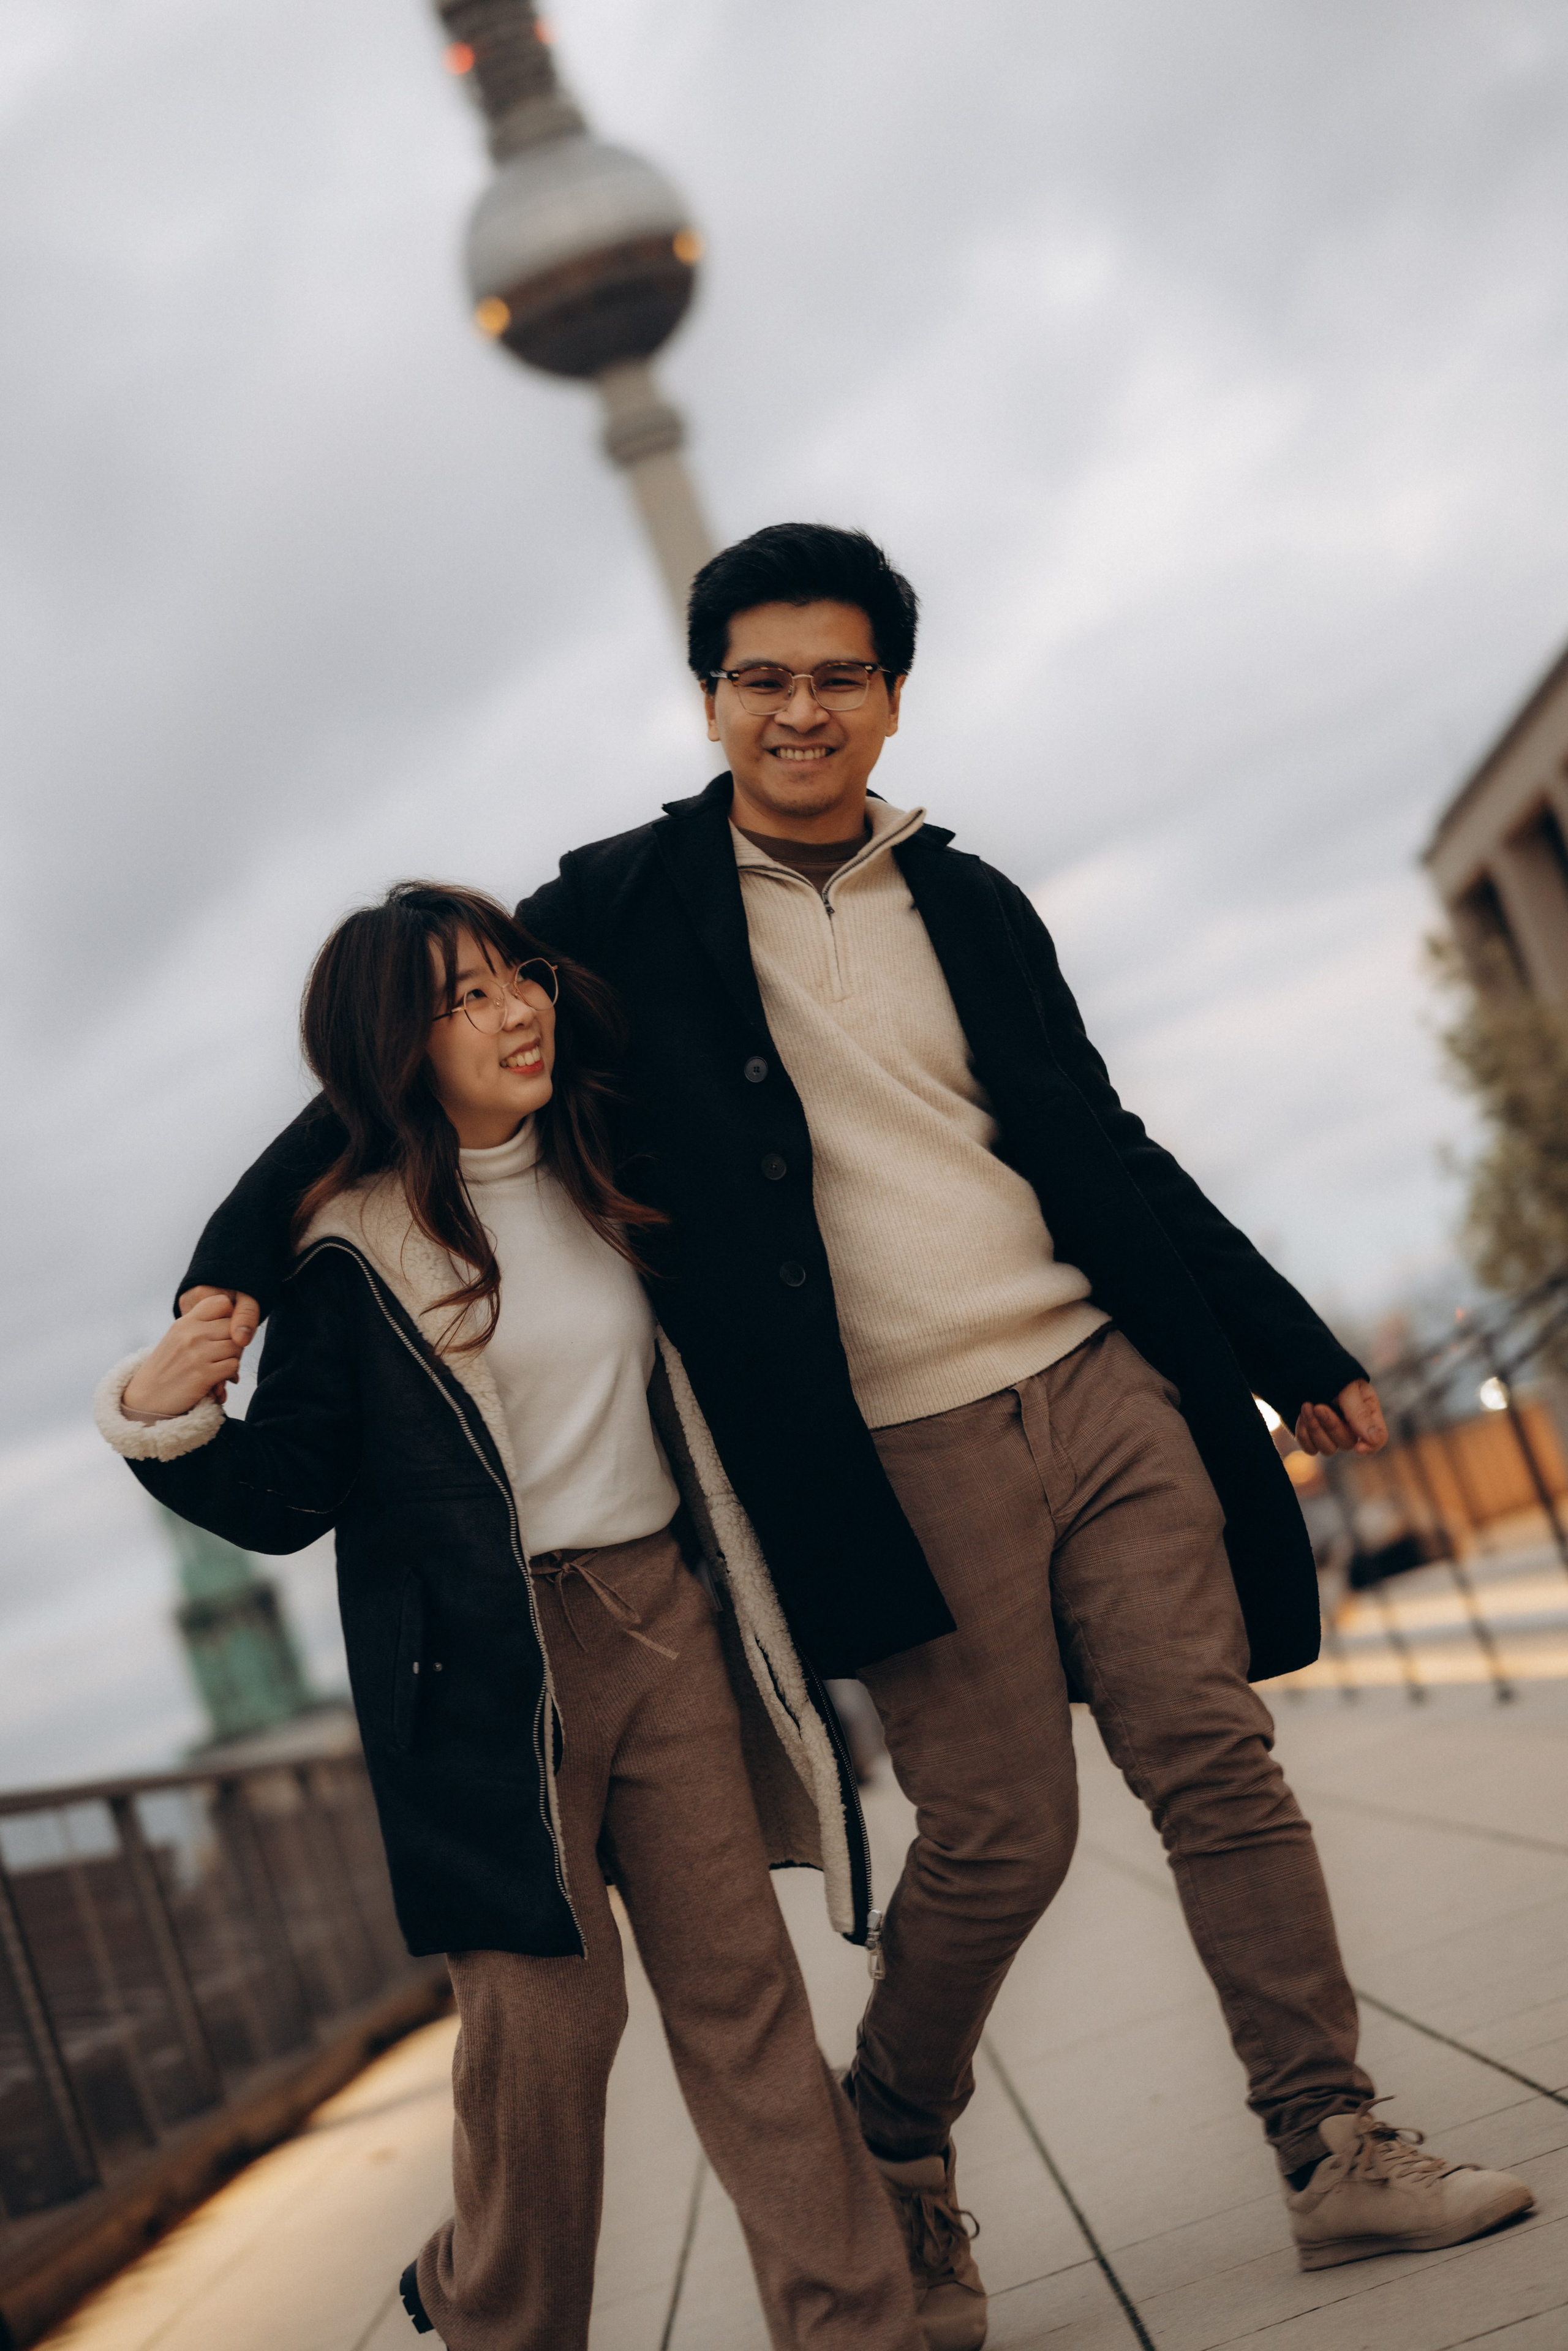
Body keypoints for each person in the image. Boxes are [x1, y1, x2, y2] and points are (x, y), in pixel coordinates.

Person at [174, 529, 1535, 2340]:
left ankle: (1331, 2139)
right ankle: (895, 2130)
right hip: (891, 1446)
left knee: (1214, 1750)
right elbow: (380, 1063)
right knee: (1003, 1829)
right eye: (762, 677)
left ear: (891, 691)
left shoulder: (969, 901)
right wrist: (227, 1279)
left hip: (1099, 1375)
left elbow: (1104, 1143)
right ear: (714, 697)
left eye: (838, 675)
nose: (800, 709)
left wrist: (1279, 1338)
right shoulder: (612, 912)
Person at [96, 881, 925, 2351]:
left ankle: (855, 2320)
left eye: (512, 976)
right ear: (396, 1049)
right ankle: (495, 2311)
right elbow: (290, 1494)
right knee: (547, 2033)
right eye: (459, 998)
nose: (513, 1009)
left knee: (740, 1997)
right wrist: (167, 1430)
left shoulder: (610, 1159)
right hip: (484, 1675)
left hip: (661, 1613)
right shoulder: (344, 1255)